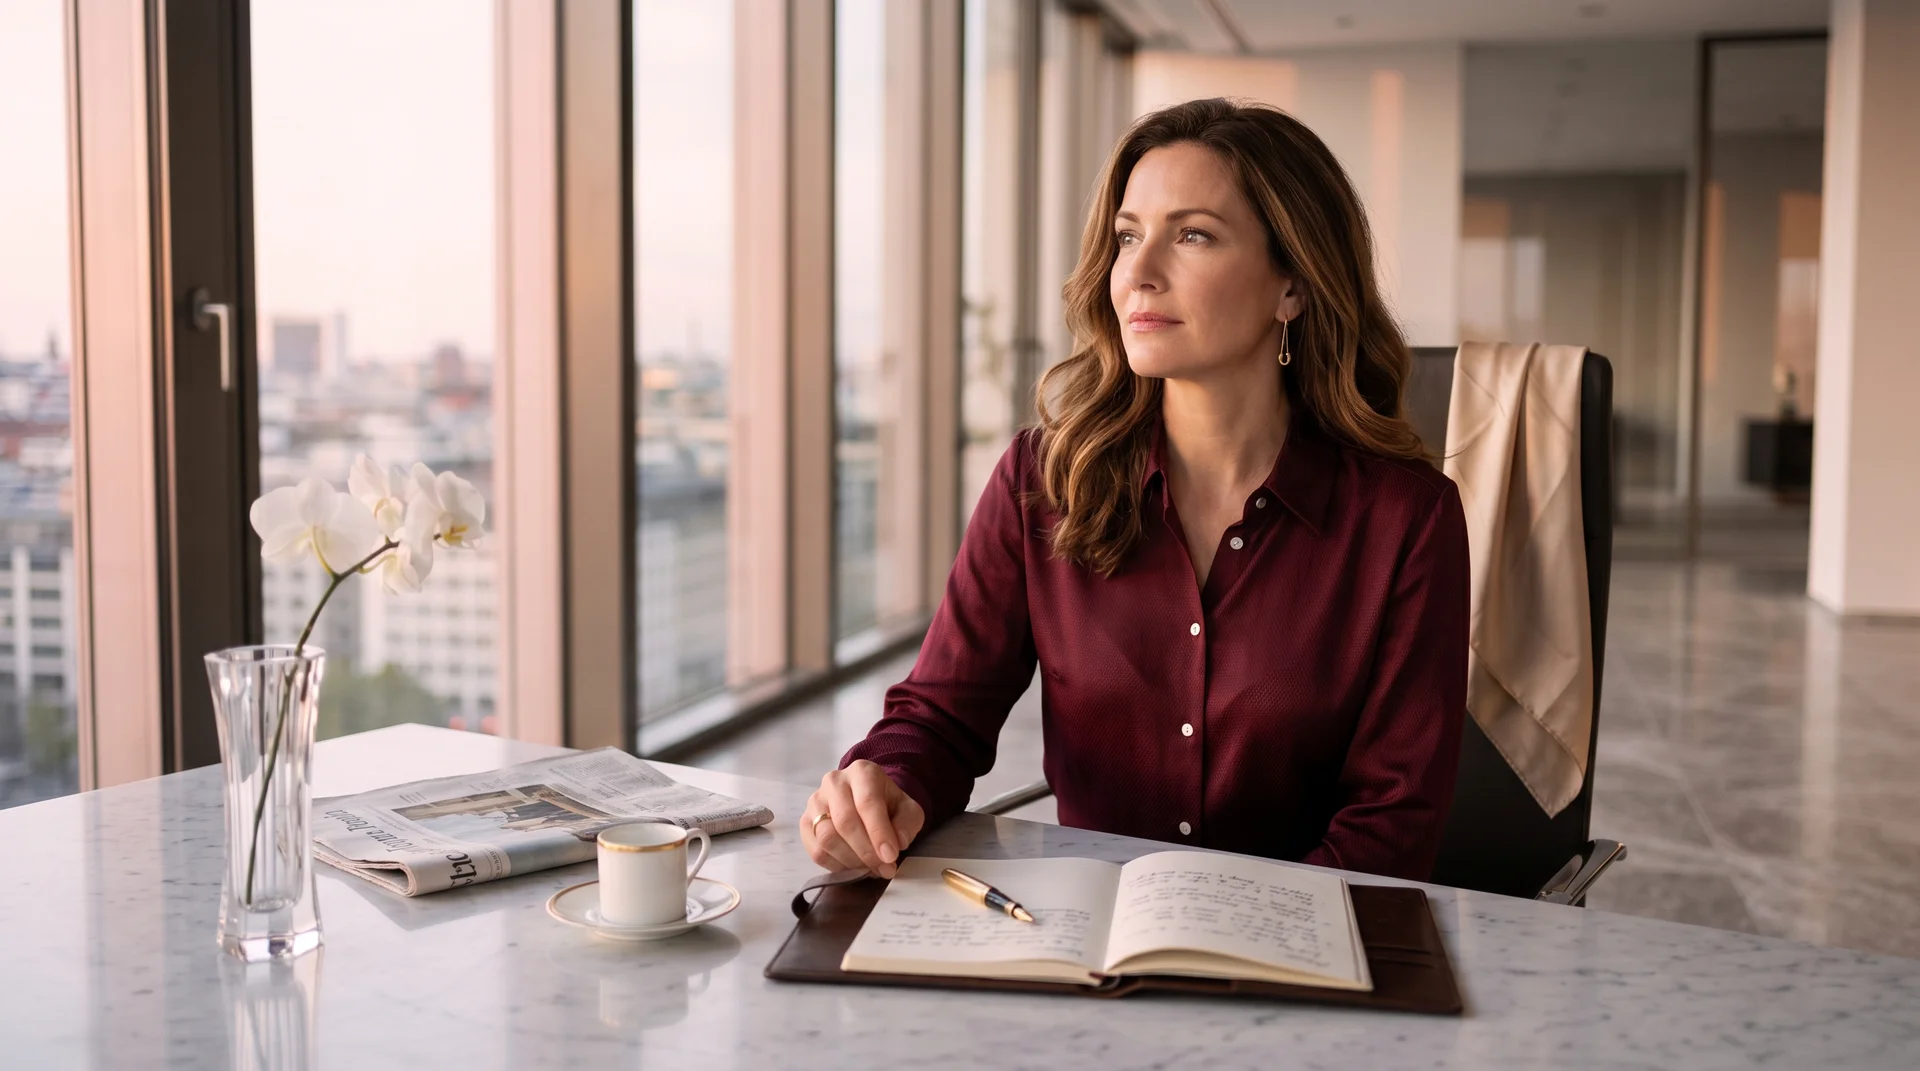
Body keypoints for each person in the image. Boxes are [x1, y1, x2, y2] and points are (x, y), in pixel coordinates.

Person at [801, 97, 1469, 883]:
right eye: (1127, 237)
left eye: (1192, 235)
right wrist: (887, 784)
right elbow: (941, 715)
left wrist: (1245, 946)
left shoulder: (1407, 519)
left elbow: (1392, 823)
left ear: (1292, 284)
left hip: (1307, 966)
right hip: (1092, 948)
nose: (1139, 274)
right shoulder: (1041, 479)